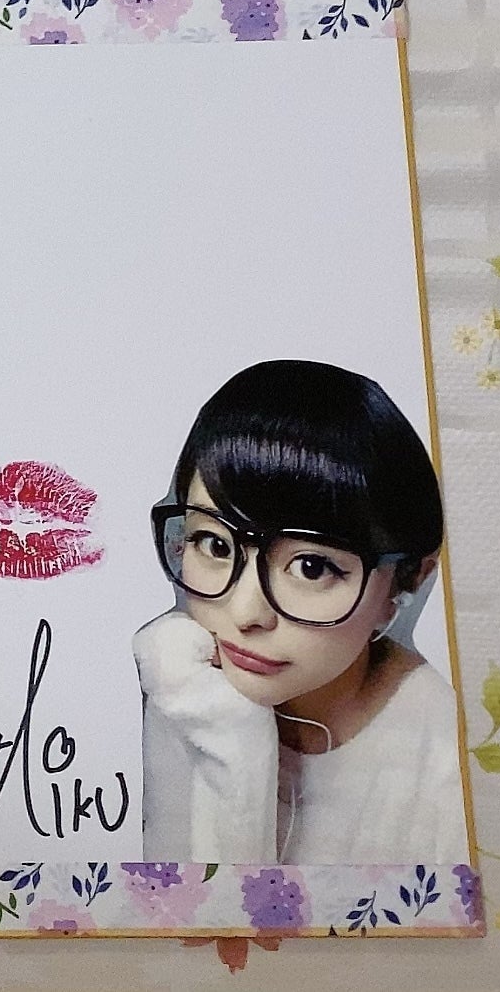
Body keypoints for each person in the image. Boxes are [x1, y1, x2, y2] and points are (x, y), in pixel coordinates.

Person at [134, 359, 467, 864]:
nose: (246, 612)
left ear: (406, 580)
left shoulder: (452, 765)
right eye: (216, 545)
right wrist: (230, 736)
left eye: (311, 567)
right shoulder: (171, 679)